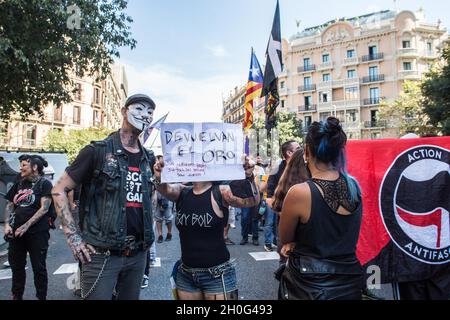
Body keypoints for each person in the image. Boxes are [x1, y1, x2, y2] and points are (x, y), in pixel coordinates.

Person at [51, 94, 157, 300]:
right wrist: (74, 239)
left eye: (150, 112)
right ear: (124, 111)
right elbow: (59, 190)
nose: (145, 115)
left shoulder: (148, 158)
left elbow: (153, 196)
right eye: (139, 109)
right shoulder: (96, 151)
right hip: (101, 255)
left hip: (138, 254)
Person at [278, 117, 363, 300]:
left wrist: (292, 243)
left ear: (306, 151)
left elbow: (285, 238)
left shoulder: (300, 193)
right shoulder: (355, 187)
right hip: (350, 282)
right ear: (339, 153)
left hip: (310, 286)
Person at [152, 157, 260, 300]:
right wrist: (159, 176)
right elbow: (165, 188)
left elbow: (253, 201)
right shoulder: (182, 191)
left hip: (217, 275)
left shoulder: (221, 191)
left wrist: (248, 176)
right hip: (186, 275)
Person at [3, 154, 52, 300]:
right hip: (16, 233)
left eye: (24, 165)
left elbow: (44, 208)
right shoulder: (19, 181)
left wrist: (25, 226)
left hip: (37, 233)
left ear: (34, 167)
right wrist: (7, 225)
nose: (21, 168)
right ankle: (17, 296)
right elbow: (10, 204)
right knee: (17, 267)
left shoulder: (45, 184)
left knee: (39, 268)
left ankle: (41, 297)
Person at [154, 155, 173, 243]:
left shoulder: (168, 170)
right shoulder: (153, 170)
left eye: (159, 159)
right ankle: (160, 235)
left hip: (166, 197)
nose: (158, 161)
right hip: (157, 198)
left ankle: (169, 233)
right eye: (157, 159)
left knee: (168, 217)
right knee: (158, 218)